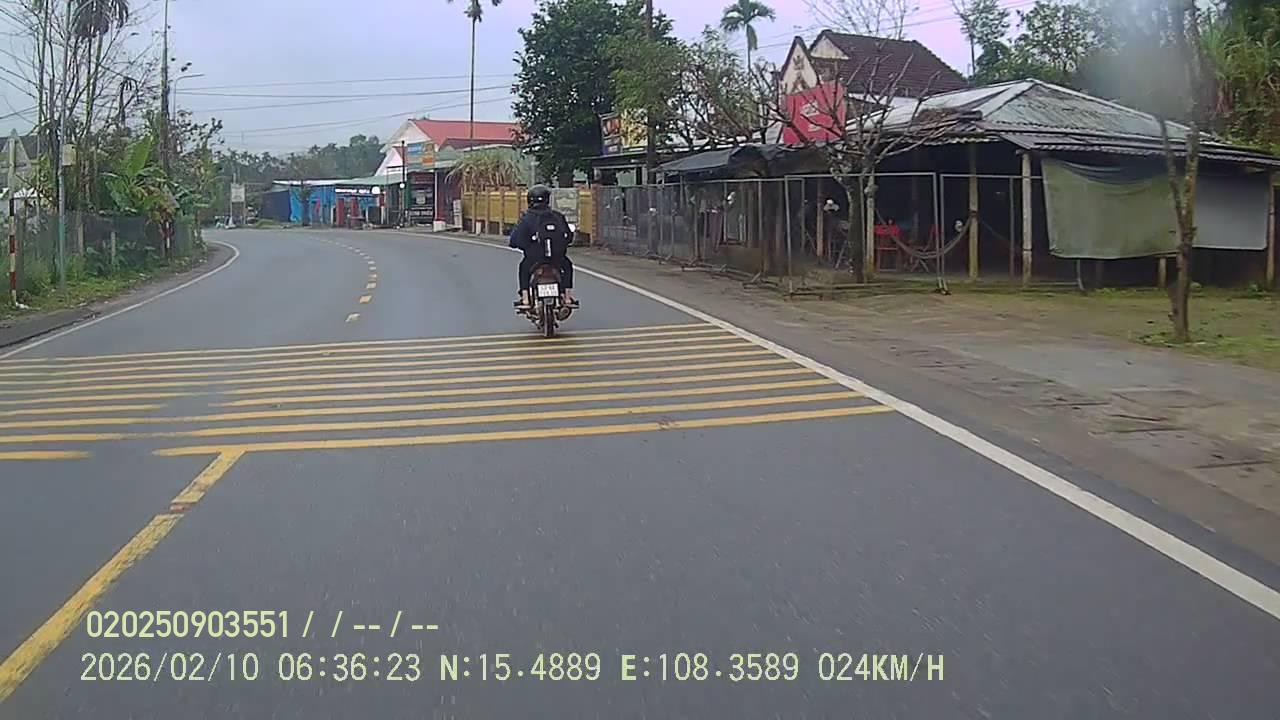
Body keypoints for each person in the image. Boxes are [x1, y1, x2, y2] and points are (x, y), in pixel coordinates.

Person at [509, 184, 577, 309]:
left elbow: (515, 240)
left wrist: (525, 246)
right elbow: (568, 236)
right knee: (567, 267)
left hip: (534, 259)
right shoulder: (557, 216)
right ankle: (567, 297)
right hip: (557, 258)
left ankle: (525, 299)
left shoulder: (527, 218)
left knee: (523, 269)